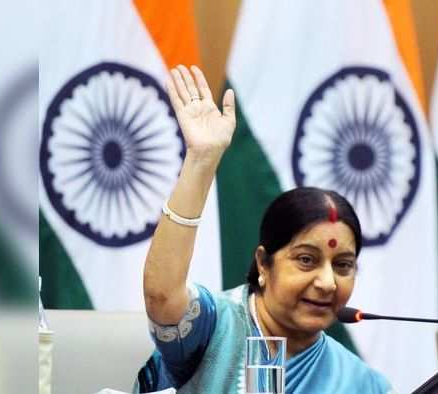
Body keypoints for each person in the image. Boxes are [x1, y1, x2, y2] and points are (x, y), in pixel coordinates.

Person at [134, 64, 393, 393]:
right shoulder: (216, 328)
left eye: (343, 265)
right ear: (263, 264)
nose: (328, 283)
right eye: (306, 260)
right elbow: (162, 296)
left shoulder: (362, 384)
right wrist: (201, 160)